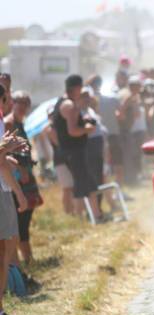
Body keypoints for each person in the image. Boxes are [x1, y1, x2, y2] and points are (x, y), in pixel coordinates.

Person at [0, 86, 31, 315]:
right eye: (8, 98)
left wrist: (7, 151)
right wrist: (19, 194)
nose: (10, 103)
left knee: (6, 249)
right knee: (5, 250)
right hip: (2, 189)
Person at [53, 74, 102, 220]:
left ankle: (91, 215)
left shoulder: (62, 102)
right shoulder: (70, 106)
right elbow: (73, 131)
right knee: (84, 183)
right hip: (75, 150)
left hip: (69, 150)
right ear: (76, 88)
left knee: (85, 183)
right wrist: (87, 128)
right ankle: (86, 216)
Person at [4, 91, 43, 264]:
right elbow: (5, 152)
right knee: (19, 223)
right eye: (18, 101)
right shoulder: (9, 123)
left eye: (25, 103)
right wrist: (20, 168)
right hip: (14, 178)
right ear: (12, 102)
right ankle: (22, 264)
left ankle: (27, 261)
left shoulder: (20, 123)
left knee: (25, 220)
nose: (22, 106)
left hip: (25, 176)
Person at [117, 75, 146, 185]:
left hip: (127, 129)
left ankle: (131, 178)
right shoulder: (128, 96)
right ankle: (130, 180)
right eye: (138, 86)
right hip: (124, 129)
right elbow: (121, 111)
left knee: (131, 154)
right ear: (134, 86)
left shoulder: (131, 96)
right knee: (129, 155)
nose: (139, 89)